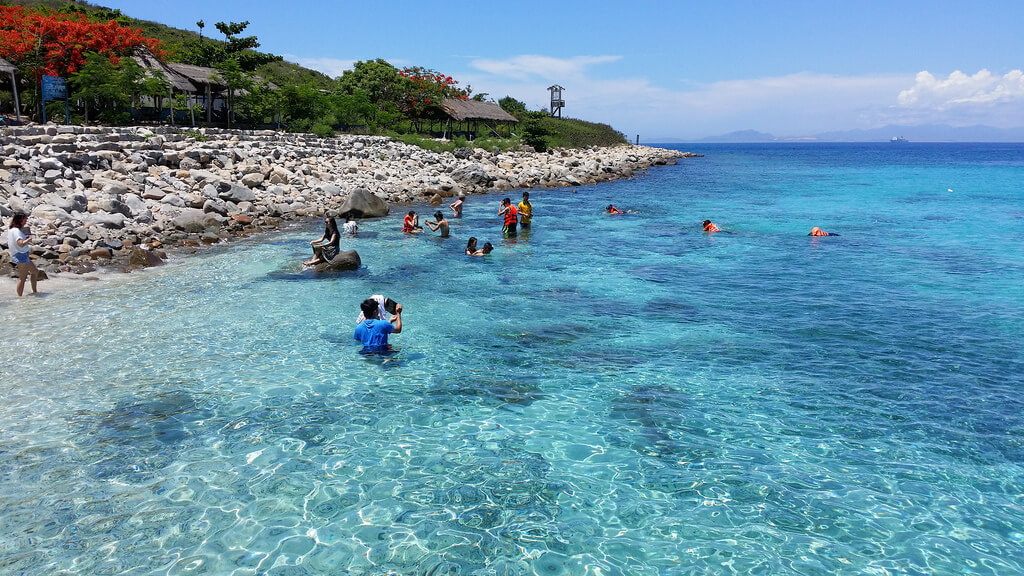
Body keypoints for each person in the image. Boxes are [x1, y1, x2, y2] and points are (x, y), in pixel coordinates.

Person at [7, 213, 40, 297]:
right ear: (20, 220)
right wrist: (28, 240)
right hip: (20, 255)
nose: (26, 221)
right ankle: (20, 297)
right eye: (25, 220)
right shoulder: (16, 231)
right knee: (22, 278)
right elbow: (20, 244)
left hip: (22, 255)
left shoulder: (12, 230)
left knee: (35, 271)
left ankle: (35, 292)